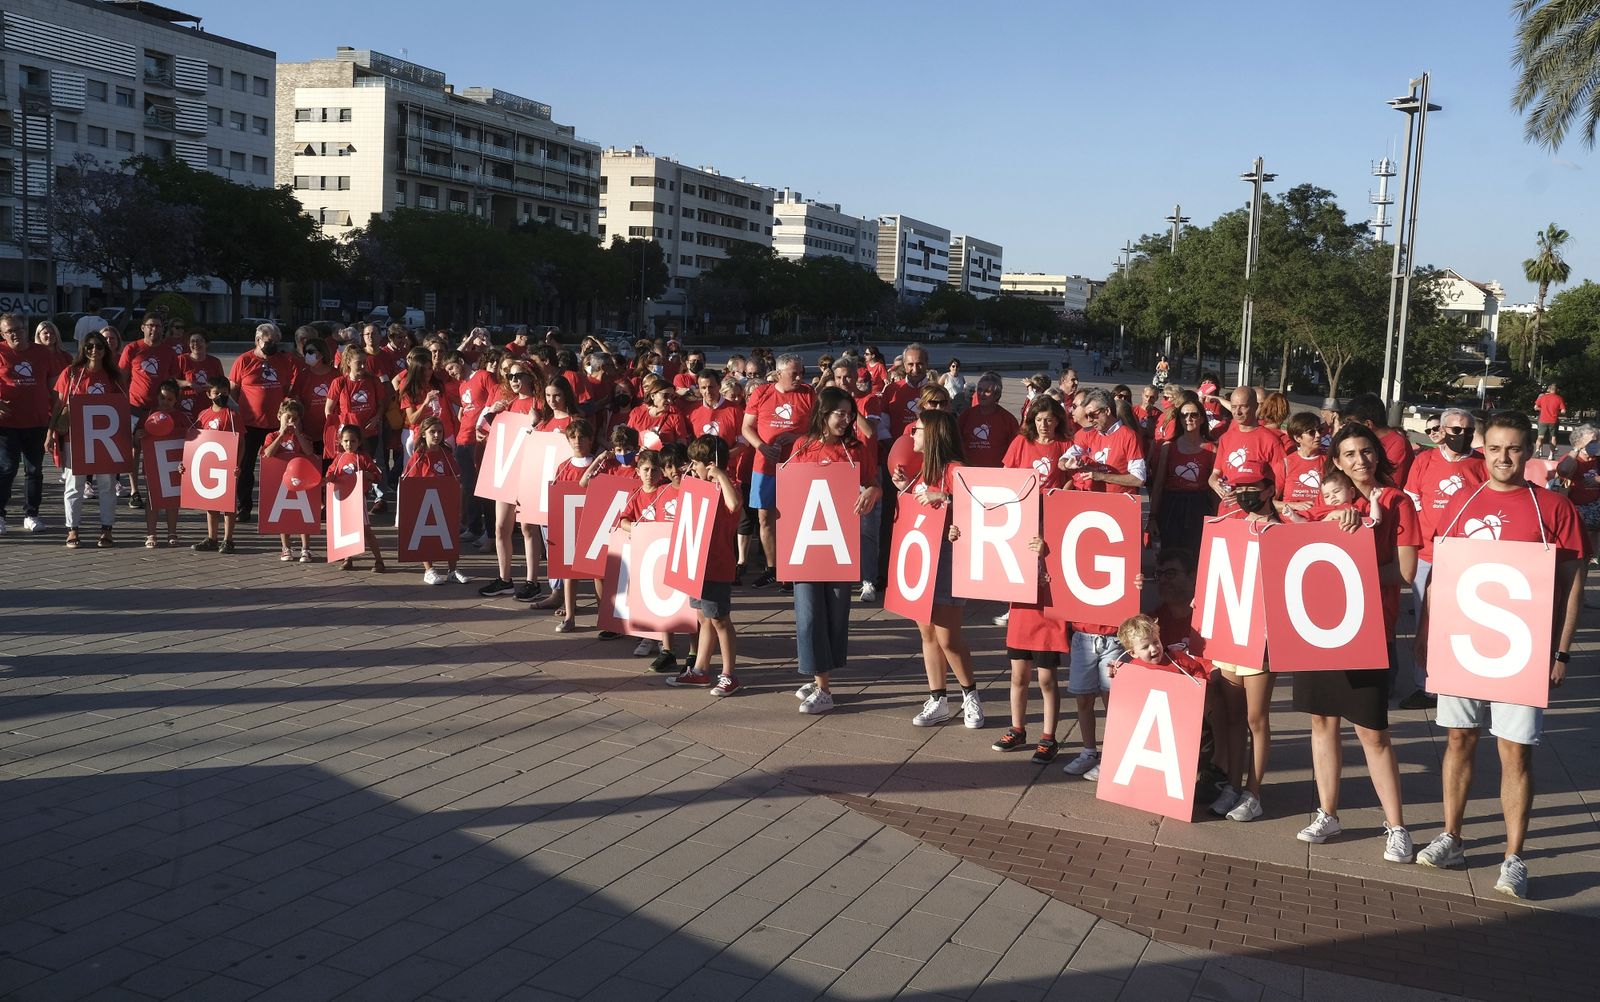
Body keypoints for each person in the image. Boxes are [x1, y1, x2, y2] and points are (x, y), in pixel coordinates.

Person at [1413, 411, 1586, 899]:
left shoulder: (1551, 507)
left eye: (1513, 448)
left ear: (1529, 451)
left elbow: (1573, 584)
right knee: (1459, 740)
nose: (1503, 457)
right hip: (1462, 644)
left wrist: (1563, 651)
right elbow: (1441, 575)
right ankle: (1453, 837)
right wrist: (1427, 633)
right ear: (1481, 449)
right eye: (1494, 448)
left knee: (1515, 753)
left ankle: (1514, 857)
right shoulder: (1461, 501)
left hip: (1524, 650)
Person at [1292, 423, 1418, 863]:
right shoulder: (1329, 504)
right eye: (1349, 454)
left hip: (1369, 629)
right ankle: (1328, 812)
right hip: (1320, 629)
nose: (1359, 461)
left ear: (1378, 455)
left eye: (1366, 452)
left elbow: (1403, 572)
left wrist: (1354, 564)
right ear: (1337, 462)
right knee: (1321, 722)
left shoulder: (1398, 502)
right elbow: (1293, 542)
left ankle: (1397, 825)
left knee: (1372, 732)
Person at [1058, 387, 1146, 779]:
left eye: (1092, 414)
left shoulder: (1126, 435)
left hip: (1118, 522)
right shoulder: (1083, 436)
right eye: (1084, 414)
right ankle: (1088, 749)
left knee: (1111, 686)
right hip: (1087, 523)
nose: (1086, 419)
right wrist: (1070, 462)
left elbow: (1139, 478)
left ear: (1106, 411)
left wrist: (1102, 473)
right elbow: (1068, 462)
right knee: (1081, 691)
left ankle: (1112, 751)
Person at [782, 388, 881, 713]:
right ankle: (823, 688)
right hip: (807, 545)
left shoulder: (854, 449)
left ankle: (820, 673)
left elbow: (871, 484)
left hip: (839, 545)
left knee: (836, 615)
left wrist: (872, 493)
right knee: (809, 614)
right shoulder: (802, 447)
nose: (847, 418)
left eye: (850, 413)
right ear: (823, 413)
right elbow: (789, 491)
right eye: (840, 412)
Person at [892, 408, 985, 729]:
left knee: (948, 637)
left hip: (947, 561)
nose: (912, 435)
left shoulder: (956, 469)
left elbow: (980, 509)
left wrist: (944, 498)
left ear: (933, 435)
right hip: (922, 559)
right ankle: (938, 698)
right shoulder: (922, 470)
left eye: (917, 430)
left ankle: (971, 696)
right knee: (927, 632)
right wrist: (903, 487)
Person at [1398, 406, 1486, 709]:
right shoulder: (1424, 461)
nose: (1463, 436)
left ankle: (1461, 679)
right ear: (1443, 431)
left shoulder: (1481, 464)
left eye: (1469, 431)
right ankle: (1426, 686)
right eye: (1456, 430)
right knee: (1426, 621)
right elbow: (1411, 499)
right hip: (1427, 554)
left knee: (1464, 620)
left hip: (1467, 557)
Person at [665, 435, 746, 697]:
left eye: (696, 463)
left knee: (720, 619)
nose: (692, 467)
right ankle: (700, 670)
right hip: (696, 563)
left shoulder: (728, 486)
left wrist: (719, 475)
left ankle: (729, 674)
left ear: (710, 464)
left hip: (717, 565)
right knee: (703, 618)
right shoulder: (697, 486)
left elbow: (734, 505)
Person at [741, 353, 815, 588]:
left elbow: (819, 430)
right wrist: (761, 446)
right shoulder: (762, 393)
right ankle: (773, 568)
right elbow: (746, 427)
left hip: (797, 467)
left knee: (793, 518)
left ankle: (791, 570)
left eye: (801, 372)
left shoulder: (808, 394)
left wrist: (796, 437)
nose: (800, 377)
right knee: (765, 518)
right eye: (795, 373)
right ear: (780, 373)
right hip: (765, 466)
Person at [476, 360, 546, 601]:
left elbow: (548, 436)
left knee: (528, 527)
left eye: (518, 376)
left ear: (530, 377)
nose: (514, 381)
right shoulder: (509, 404)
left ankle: (533, 581)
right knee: (500, 527)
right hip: (507, 471)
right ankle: (505, 579)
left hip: (529, 472)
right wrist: (490, 414)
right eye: (511, 376)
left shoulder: (540, 402)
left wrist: (537, 423)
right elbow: (484, 433)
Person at [45, 331, 122, 549]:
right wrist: (50, 432)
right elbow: (59, 406)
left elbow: (123, 406)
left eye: (99, 346)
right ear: (83, 349)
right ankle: (72, 530)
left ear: (105, 350)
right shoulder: (71, 373)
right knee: (74, 484)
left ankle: (107, 529)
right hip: (75, 437)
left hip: (106, 439)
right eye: (89, 346)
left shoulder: (112, 376)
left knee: (107, 484)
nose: (94, 350)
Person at [229, 323, 300, 524]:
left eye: (276, 341)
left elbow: (286, 388)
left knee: (278, 467)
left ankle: (277, 506)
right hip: (249, 425)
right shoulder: (244, 360)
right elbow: (233, 391)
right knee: (245, 467)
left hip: (276, 425)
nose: (273, 345)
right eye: (269, 342)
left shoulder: (282, 361)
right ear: (258, 340)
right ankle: (244, 506)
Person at [0, 311, 57, 535]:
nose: (15, 334)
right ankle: (1, 515)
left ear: (26, 329)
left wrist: (59, 416)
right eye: (9, 331)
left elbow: (54, 388)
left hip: (37, 421)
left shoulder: (42, 353)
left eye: (19, 329)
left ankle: (31, 514)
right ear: (3, 334)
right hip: (7, 424)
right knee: (6, 468)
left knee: (34, 470)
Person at [402, 416, 467, 585]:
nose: (436, 435)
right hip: (425, 502)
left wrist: (459, 507)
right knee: (424, 537)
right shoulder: (418, 456)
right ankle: (429, 570)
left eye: (439, 432)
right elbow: (409, 483)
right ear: (423, 434)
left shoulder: (446, 454)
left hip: (444, 500)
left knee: (450, 534)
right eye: (432, 432)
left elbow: (456, 479)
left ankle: (452, 570)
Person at [1147, 396, 1217, 552]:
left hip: (1199, 506)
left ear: (1202, 419)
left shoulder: (1212, 449)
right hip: (1172, 505)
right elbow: (1158, 484)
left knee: (1195, 556)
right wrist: (1152, 516)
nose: (1189, 419)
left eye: (1194, 415)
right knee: (1170, 556)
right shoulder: (1169, 446)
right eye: (1184, 415)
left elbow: (1213, 489)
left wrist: (1215, 516)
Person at [1209, 386, 1286, 519]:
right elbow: (1215, 474)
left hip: (1256, 514)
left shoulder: (1270, 440)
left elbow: (1280, 481)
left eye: (1243, 406)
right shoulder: (1226, 438)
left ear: (1256, 406)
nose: (1237, 412)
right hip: (1228, 512)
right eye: (1233, 407)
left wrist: (1258, 501)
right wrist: (1214, 483)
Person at [188, 377, 240, 553]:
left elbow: (241, 442)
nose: (220, 396)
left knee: (228, 504)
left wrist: (237, 464)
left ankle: (228, 539)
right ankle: (212, 537)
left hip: (227, 464)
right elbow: (195, 441)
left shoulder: (232, 415)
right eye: (217, 393)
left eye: (224, 393)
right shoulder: (203, 415)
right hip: (208, 464)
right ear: (209, 394)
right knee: (211, 501)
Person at [261, 399, 316, 563]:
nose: (291, 422)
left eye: (295, 419)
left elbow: (309, 451)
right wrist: (282, 434)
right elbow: (268, 454)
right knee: (282, 514)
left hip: (300, 480)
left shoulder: (303, 437)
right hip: (280, 480)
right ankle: (286, 547)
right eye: (288, 418)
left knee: (303, 514)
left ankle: (306, 548)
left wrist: (297, 433)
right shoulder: (272, 436)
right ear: (279, 416)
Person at [326, 424, 387, 572]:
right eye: (346, 441)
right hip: (342, 499)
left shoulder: (363, 457)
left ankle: (379, 561)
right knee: (346, 529)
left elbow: (377, 476)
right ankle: (348, 558)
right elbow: (330, 473)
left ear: (359, 442)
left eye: (353, 441)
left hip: (359, 500)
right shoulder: (339, 458)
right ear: (341, 442)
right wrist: (330, 478)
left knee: (366, 530)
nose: (349, 444)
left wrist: (367, 475)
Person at [136, 380, 188, 547]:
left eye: (169, 399)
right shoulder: (149, 414)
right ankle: (151, 533)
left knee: (173, 500)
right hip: (154, 464)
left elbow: (190, 438)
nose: (165, 402)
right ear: (157, 397)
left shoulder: (181, 417)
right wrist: (140, 435)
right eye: (162, 398)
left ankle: (172, 532)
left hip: (174, 464)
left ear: (176, 401)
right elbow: (136, 441)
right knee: (152, 499)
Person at [1342, 391, 1415, 486]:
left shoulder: (1398, 444)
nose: (1348, 427)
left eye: (1350, 422)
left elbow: (1388, 484)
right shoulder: (1366, 441)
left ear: (1368, 424)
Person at [957, 371, 1020, 468]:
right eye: (980, 390)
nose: (981, 394)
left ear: (997, 395)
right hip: (969, 472)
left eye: (987, 391)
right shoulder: (966, 416)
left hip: (996, 474)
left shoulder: (1008, 420)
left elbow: (1016, 450)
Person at [1533, 381, 1565, 460]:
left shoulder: (1542, 397)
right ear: (1556, 390)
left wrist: (1542, 409)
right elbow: (1563, 411)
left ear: (1549, 389)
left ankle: (1537, 449)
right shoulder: (1559, 398)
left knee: (1540, 436)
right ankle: (1551, 455)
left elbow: (1535, 407)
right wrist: (1557, 412)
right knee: (1553, 438)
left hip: (1542, 419)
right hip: (1553, 420)